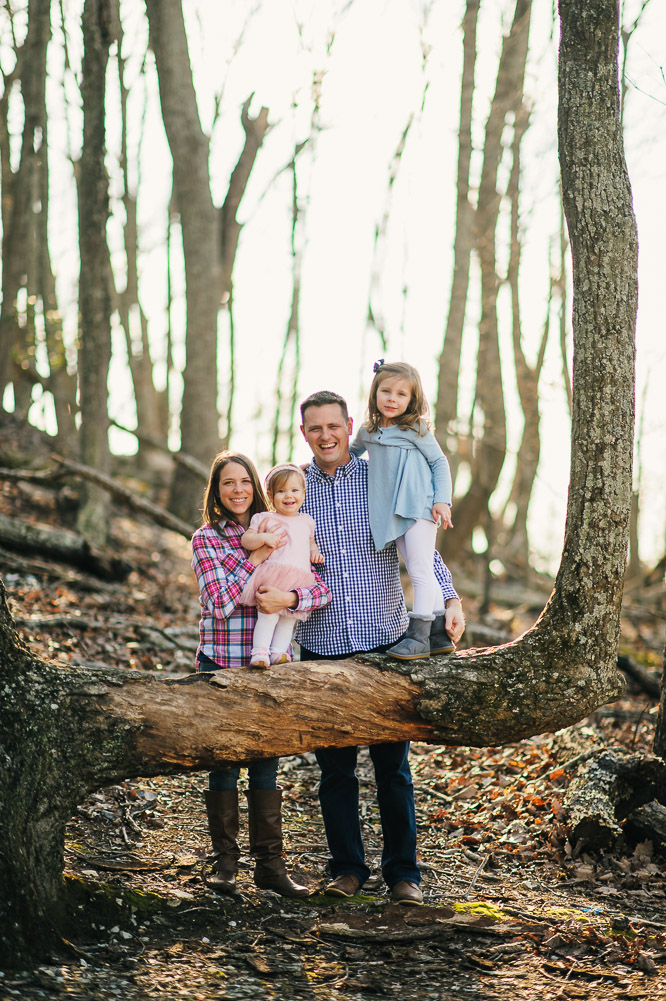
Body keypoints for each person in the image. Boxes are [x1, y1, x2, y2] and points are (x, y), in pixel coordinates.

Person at [296, 391, 465, 906]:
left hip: (388, 641)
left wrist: (450, 597)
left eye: (333, 426)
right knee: (335, 771)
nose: (325, 436)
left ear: (351, 425)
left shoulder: (381, 473)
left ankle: (403, 874)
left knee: (393, 771)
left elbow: (417, 539)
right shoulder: (293, 487)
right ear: (304, 433)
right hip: (321, 644)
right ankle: (347, 868)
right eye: (314, 429)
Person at [191, 450, 331, 898]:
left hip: (269, 668)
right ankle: (225, 865)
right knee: (225, 766)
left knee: (266, 767)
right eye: (228, 483)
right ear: (216, 491)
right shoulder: (206, 538)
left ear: (257, 486)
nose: (238, 491)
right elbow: (219, 602)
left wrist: (289, 600)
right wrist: (256, 560)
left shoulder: (281, 524)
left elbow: (320, 589)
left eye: (245, 482)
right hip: (221, 661)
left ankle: (270, 868)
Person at [350, 360, 453, 661]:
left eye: (401, 394)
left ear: (412, 400)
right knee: (414, 564)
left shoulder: (415, 429)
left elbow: (440, 462)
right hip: (391, 509)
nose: (392, 399)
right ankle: (438, 635)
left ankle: (418, 637)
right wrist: (313, 465)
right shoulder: (368, 431)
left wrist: (442, 500)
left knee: (420, 569)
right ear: (375, 394)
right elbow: (351, 455)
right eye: (386, 391)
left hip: (419, 504)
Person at [240, 463, 324, 668]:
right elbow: (246, 540)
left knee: (289, 619)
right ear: (270, 494)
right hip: (274, 574)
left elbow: (310, 542)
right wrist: (263, 537)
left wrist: (315, 553)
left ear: (303, 493)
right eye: (281, 491)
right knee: (268, 616)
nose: (289, 496)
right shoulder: (265, 518)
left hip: (299, 577)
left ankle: (278, 652)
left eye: (295, 490)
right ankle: (259, 653)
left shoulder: (307, 521)